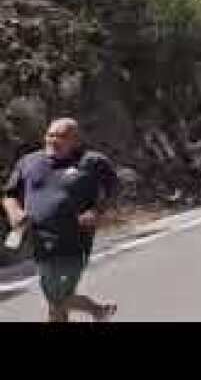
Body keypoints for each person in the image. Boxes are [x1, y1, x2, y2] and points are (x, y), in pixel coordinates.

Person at [3, 118, 120, 321]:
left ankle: (97, 310)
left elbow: (114, 190)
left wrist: (96, 211)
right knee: (55, 299)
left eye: (62, 136)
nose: (54, 140)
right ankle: (98, 311)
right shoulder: (29, 162)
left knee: (58, 297)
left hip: (74, 242)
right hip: (39, 241)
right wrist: (14, 213)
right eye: (50, 135)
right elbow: (10, 194)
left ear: (76, 140)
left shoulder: (92, 162)